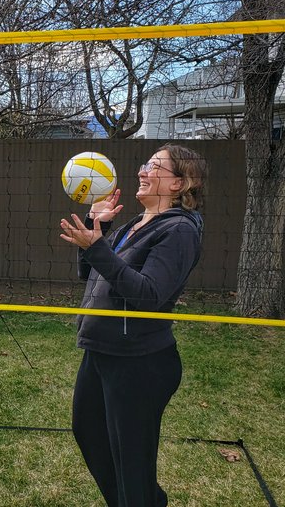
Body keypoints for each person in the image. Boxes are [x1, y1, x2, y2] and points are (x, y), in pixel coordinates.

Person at [59, 144, 208, 507]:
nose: (142, 171)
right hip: (102, 351)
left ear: (180, 183)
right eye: (145, 165)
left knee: (132, 462)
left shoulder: (178, 230)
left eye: (154, 167)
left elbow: (148, 295)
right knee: (90, 434)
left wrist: (98, 248)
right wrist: (101, 231)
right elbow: (91, 273)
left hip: (139, 361)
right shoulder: (135, 224)